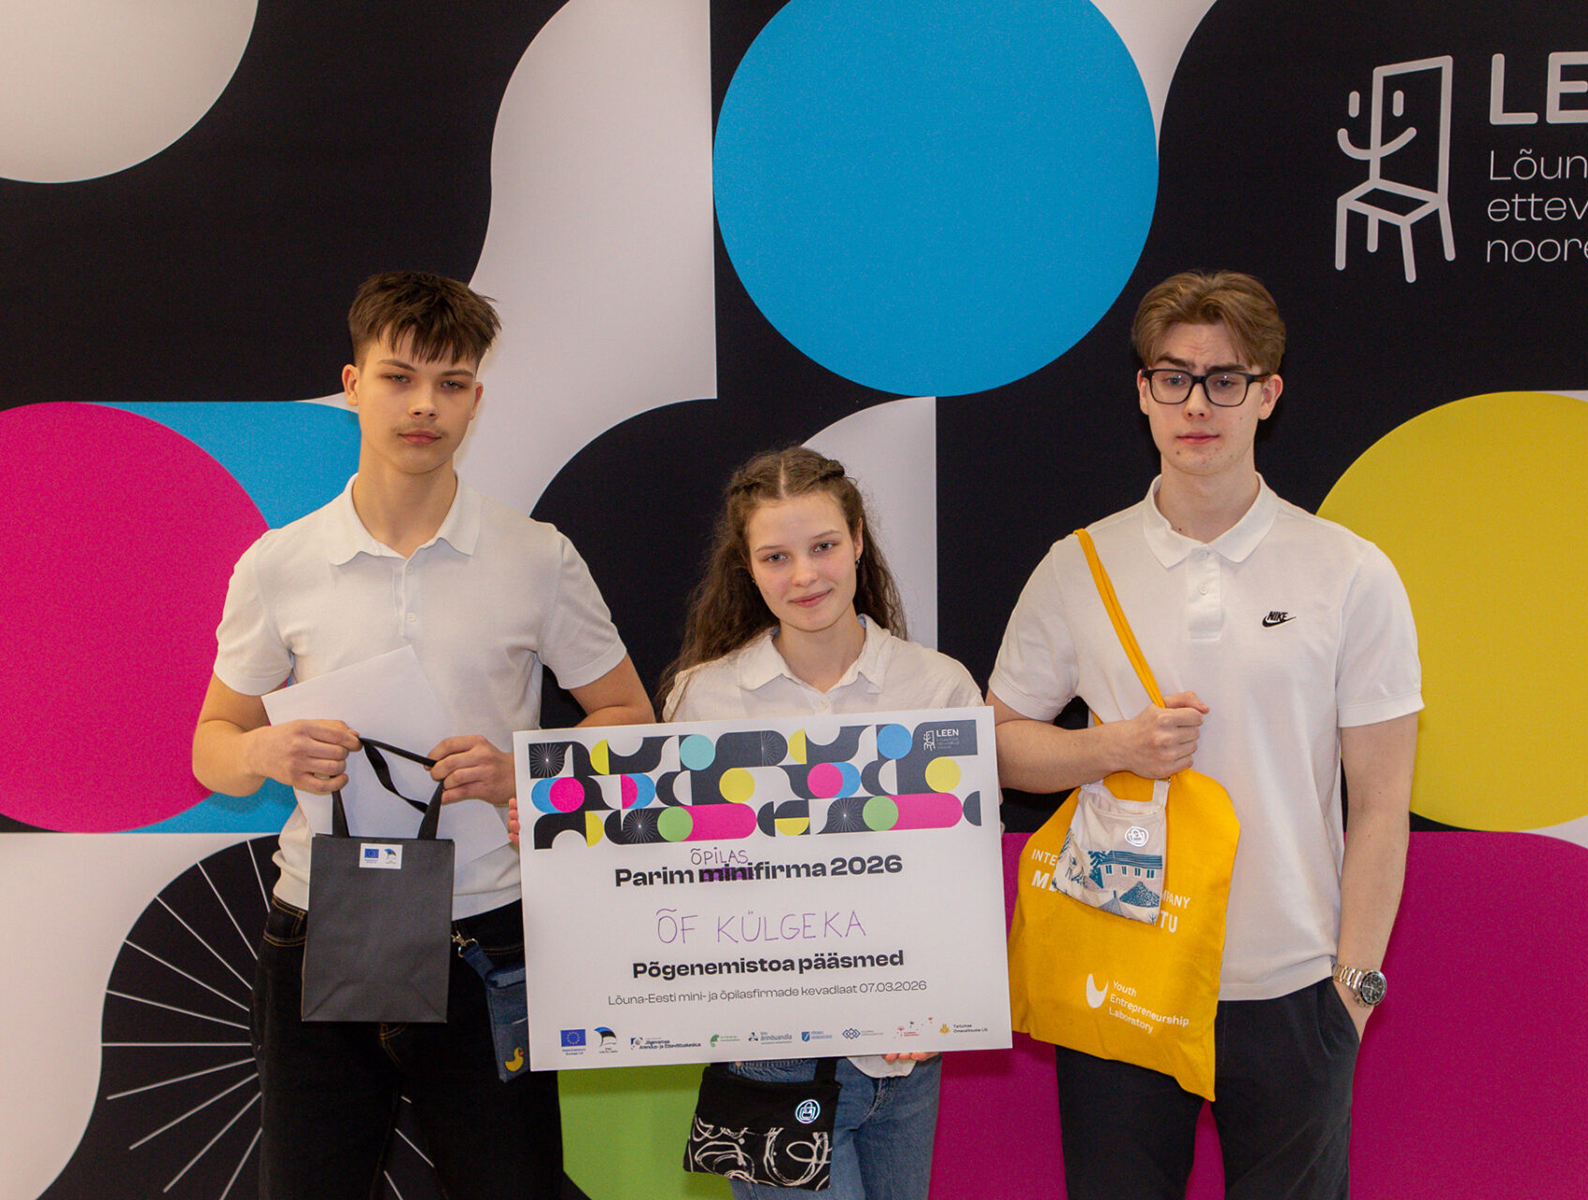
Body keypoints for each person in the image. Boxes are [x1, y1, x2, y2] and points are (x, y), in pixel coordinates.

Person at [192, 270, 655, 1200]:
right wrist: (262, 752)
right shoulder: (281, 562)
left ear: (476, 400)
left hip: (491, 935)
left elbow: (629, 722)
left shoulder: (537, 555)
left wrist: (523, 771)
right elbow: (213, 744)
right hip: (319, 929)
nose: (423, 406)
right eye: (398, 377)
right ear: (352, 385)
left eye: (450, 384)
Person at [987, 271, 1421, 1200]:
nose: (1197, 405)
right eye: (1174, 378)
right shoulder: (1079, 565)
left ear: (1268, 394)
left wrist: (1354, 990)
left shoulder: (1349, 571)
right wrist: (1111, 748)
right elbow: (999, 741)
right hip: (1123, 973)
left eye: (1226, 380)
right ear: (1143, 392)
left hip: (1294, 987)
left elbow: (1384, 804)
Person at [663, 446, 981, 1200]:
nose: (804, 575)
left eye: (824, 546)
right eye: (776, 557)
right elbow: (673, 880)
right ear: (747, 567)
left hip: (904, 1060)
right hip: (766, 1057)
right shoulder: (703, 698)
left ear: (859, 540)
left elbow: (960, 880)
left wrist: (941, 999)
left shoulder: (938, 688)